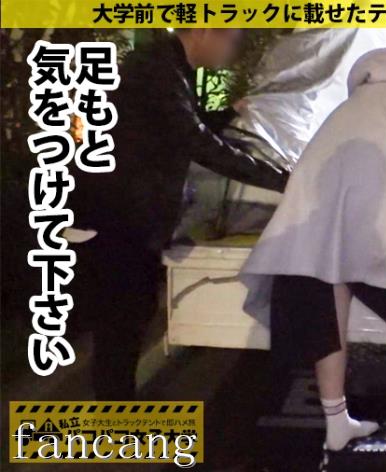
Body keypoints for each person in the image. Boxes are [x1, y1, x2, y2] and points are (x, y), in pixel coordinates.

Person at [239, 40, 386, 451]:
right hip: (371, 173)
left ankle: (337, 422)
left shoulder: (374, 84)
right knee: (373, 235)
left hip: (317, 169)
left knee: (326, 290)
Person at [68, 29, 288, 400]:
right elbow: (195, 140)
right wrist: (283, 180)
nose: (232, 53)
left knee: (128, 319)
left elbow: (182, 127)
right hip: (119, 217)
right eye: (232, 41)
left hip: (129, 217)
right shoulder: (156, 69)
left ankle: (117, 404)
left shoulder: (167, 68)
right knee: (121, 323)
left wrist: (227, 114)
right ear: (205, 32)